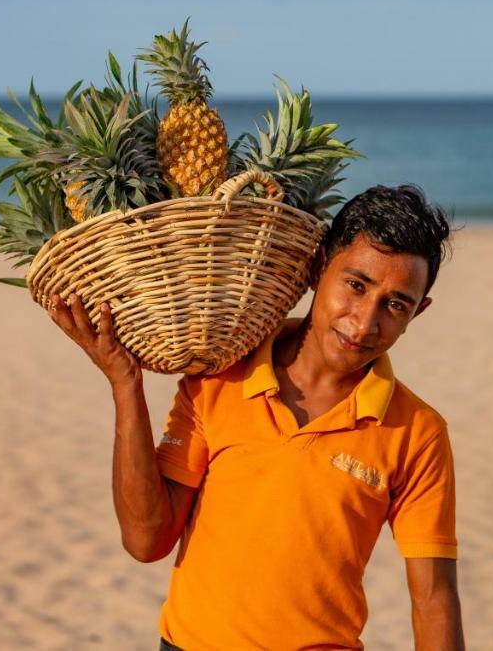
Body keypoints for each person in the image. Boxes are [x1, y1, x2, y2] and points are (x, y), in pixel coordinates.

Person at [47, 184, 464, 650]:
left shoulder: (418, 432)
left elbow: (433, 597)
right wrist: (126, 386)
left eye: (395, 304)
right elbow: (147, 541)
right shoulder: (219, 379)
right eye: (356, 285)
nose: (365, 322)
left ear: (418, 312)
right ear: (317, 267)